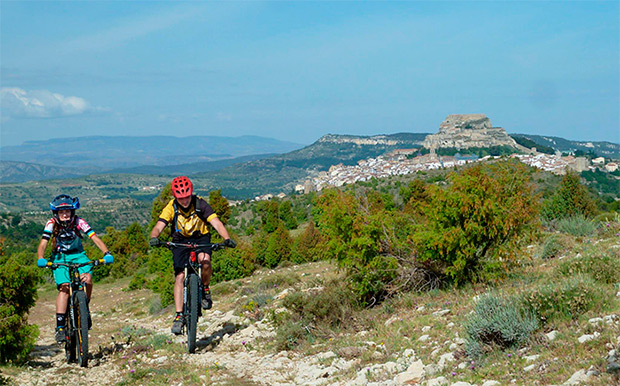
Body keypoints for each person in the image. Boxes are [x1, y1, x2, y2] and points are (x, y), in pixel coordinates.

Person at [149, 176, 236, 335]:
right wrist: (154, 237)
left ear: (191, 194)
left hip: (201, 238)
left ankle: (205, 288)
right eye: (181, 198)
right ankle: (179, 315)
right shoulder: (171, 207)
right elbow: (159, 225)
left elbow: (216, 222)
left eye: (187, 197)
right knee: (180, 276)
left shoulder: (200, 204)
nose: (184, 201)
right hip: (180, 240)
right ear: (176, 197)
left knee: (206, 262)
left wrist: (227, 238)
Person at [36, 194, 113, 343]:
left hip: (78, 255)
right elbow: (43, 243)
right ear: (56, 214)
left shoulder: (78, 221)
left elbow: (94, 237)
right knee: (64, 288)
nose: (65, 214)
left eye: (67, 211)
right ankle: (60, 327)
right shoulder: (51, 224)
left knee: (88, 279)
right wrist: (41, 258)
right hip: (60, 257)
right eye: (61, 212)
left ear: (72, 212)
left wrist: (106, 253)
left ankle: (85, 309)